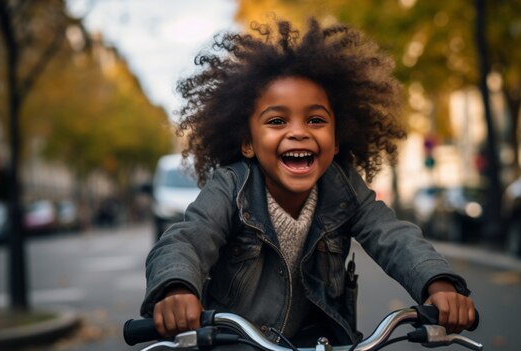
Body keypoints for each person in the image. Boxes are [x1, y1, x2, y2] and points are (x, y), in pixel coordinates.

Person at [140, 17, 476, 347]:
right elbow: (187, 239)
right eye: (277, 120)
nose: (299, 131)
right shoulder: (231, 187)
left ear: (337, 137)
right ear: (247, 142)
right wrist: (176, 289)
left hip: (322, 341)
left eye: (316, 120)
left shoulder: (343, 187)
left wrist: (439, 283)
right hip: (237, 342)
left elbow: (392, 235)